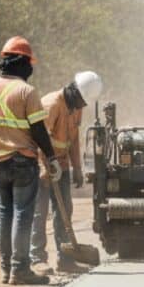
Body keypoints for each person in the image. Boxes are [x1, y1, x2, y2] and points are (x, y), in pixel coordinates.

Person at [0, 37, 58, 285]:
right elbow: (38, 130)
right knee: (23, 214)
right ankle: (20, 269)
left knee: (5, 214)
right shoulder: (26, 91)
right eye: (29, 63)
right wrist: (51, 157)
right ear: (23, 63)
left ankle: (6, 269)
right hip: (22, 160)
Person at [30, 71, 104, 273]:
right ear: (73, 91)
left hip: (60, 164)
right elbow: (38, 138)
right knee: (40, 212)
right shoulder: (51, 104)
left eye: (83, 104)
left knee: (65, 213)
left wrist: (77, 168)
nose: (81, 106)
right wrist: (45, 168)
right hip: (43, 164)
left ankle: (65, 259)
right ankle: (37, 258)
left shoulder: (75, 107)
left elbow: (73, 139)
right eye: (80, 101)